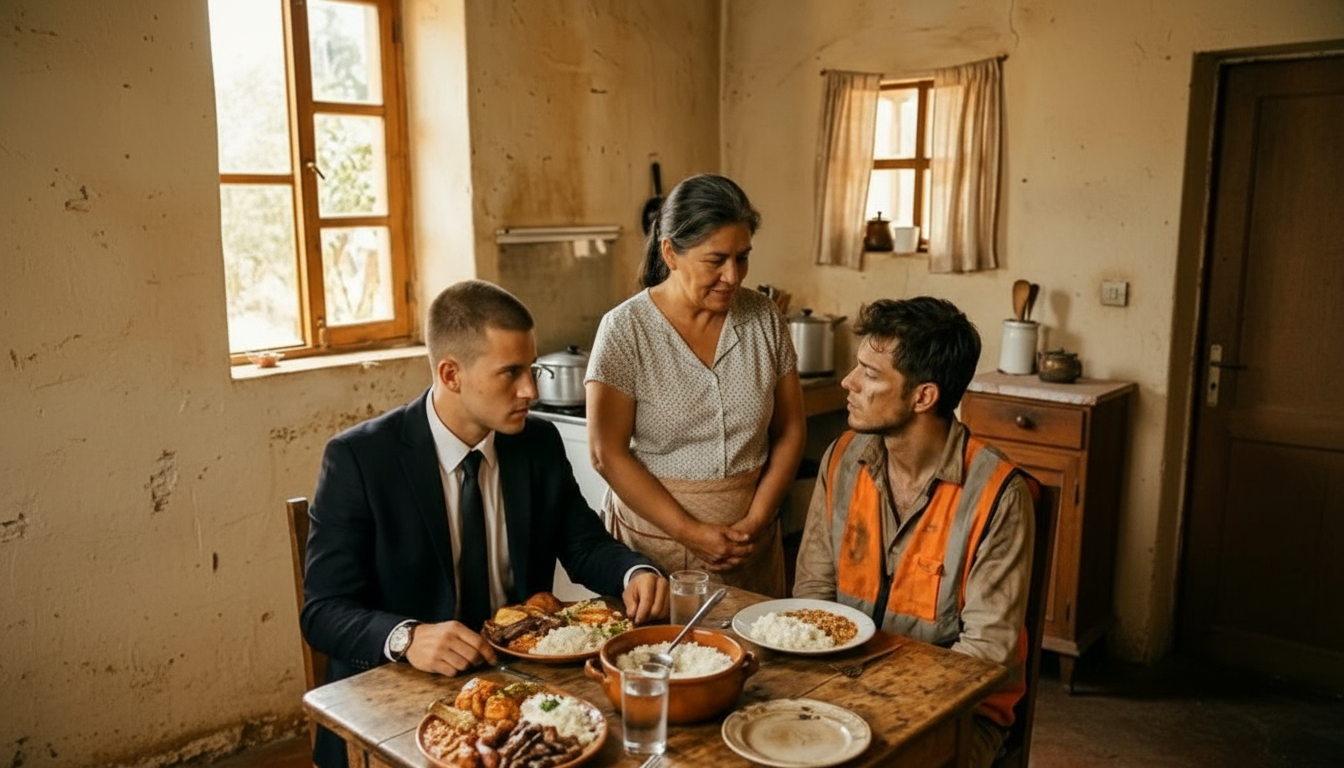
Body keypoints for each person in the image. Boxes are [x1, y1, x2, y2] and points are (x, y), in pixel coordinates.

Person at [301, 280, 669, 768]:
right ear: (450, 373)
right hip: (397, 702)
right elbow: (323, 612)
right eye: (511, 373)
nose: (531, 391)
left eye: (532, 368)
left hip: (520, 691)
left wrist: (633, 572)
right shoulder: (360, 459)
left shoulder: (537, 443)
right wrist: (407, 637)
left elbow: (583, 544)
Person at [792, 296, 1036, 768]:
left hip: (960, 715)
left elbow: (983, 656)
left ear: (923, 397)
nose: (849, 382)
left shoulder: (998, 494)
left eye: (870, 373)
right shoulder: (843, 458)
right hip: (843, 690)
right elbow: (813, 594)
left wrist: (880, 703)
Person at [585, 173, 806, 597]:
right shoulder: (625, 330)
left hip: (749, 548)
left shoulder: (764, 319)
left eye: (742, 258)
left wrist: (756, 522)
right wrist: (689, 531)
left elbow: (790, 430)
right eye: (715, 259)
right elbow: (605, 453)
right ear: (670, 253)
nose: (733, 276)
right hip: (654, 553)